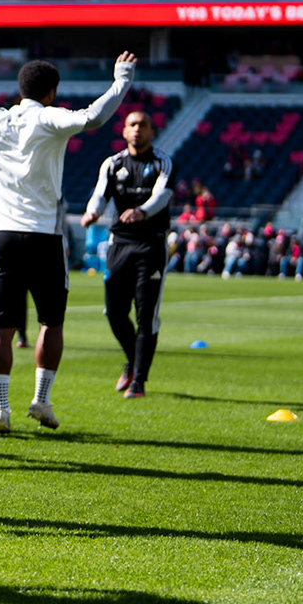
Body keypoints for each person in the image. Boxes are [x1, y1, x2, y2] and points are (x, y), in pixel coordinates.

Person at [0, 52, 136, 432]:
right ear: (51, 92)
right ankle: (41, 398)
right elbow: (93, 117)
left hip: (1, 234)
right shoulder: (50, 117)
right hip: (44, 237)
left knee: (1, 328)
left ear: (19, 89)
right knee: (51, 323)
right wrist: (121, 80)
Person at [82, 110, 172, 399]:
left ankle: (139, 382)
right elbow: (100, 193)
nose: (137, 130)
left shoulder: (163, 163)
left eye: (143, 125)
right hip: (120, 244)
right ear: (123, 131)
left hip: (151, 244)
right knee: (114, 312)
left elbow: (162, 195)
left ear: (151, 131)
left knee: (146, 316)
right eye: (132, 125)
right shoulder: (112, 163)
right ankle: (133, 361)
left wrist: (142, 211)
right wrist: (92, 210)